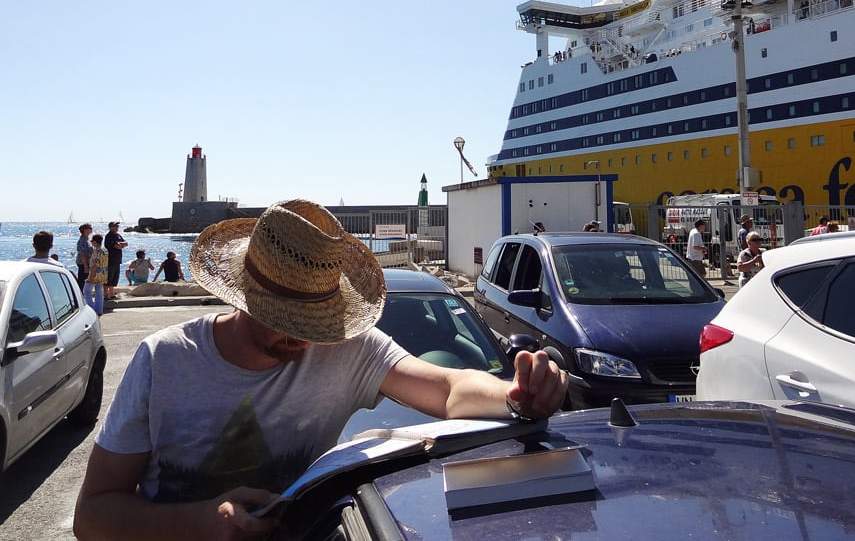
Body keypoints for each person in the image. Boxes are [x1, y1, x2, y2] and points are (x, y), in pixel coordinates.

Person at [74, 199, 567, 539]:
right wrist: (202, 525)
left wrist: (514, 393)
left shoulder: (345, 348)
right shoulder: (164, 359)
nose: (305, 338)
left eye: (316, 320)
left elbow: (448, 388)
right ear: (242, 296)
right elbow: (92, 516)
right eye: (284, 320)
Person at [82, 234, 108, 316]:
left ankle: (91, 310)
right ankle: (99, 310)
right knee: (99, 292)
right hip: (103, 274)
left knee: (86, 291)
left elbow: (95, 265)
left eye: (92, 241)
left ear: (96, 242)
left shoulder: (97, 251)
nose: (92, 243)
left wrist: (90, 277)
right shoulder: (105, 250)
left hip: (95, 274)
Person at [104, 221, 128, 300]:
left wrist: (121, 244)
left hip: (117, 260)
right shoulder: (109, 236)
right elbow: (116, 246)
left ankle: (111, 294)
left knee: (114, 278)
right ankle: (106, 295)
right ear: (111, 227)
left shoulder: (118, 235)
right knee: (108, 278)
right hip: (110, 260)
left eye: (117, 226)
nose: (117, 227)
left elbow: (126, 243)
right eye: (115, 226)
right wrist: (121, 245)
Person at [75, 223, 93, 289]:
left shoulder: (87, 239)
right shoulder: (82, 240)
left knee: (86, 280)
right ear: (85, 230)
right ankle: (81, 295)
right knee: (82, 281)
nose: (91, 229)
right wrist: (85, 266)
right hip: (83, 263)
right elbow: (82, 254)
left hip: (88, 263)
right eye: (89, 228)